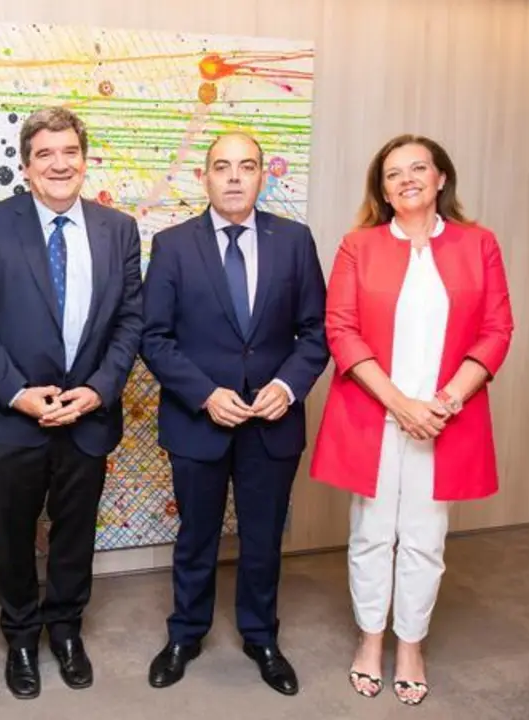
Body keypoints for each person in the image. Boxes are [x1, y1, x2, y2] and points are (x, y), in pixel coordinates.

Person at [310, 134, 515, 706]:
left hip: (445, 419)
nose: (407, 180)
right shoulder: (359, 245)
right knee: (372, 534)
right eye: (393, 174)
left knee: (425, 539)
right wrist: (401, 403)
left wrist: (445, 401)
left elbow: (497, 329)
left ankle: (410, 646)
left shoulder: (479, 244)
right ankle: (370, 639)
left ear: (441, 177)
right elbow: (341, 330)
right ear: (382, 190)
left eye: (418, 168)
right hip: (374, 414)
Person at [0, 106, 143, 699]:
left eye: (69, 152)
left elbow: (130, 321)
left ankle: (65, 629)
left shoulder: (118, 229)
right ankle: (20, 637)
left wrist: (99, 389)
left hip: (87, 415)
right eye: (45, 154)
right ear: (26, 166)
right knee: (12, 538)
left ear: (84, 160)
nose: (59, 164)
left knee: (75, 534)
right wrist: (19, 394)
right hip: (8, 419)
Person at [139, 132, 329, 696]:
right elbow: (154, 337)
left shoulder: (294, 241)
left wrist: (287, 386)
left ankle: (261, 637)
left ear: (262, 176)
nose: (234, 177)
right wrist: (204, 394)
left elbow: (315, 333)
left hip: (272, 423)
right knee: (196, 536)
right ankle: (185, 634)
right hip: (199, 420)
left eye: (246, 166)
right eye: (222, 166)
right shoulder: (173, 245)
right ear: (204, 177)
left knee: (263, 538)